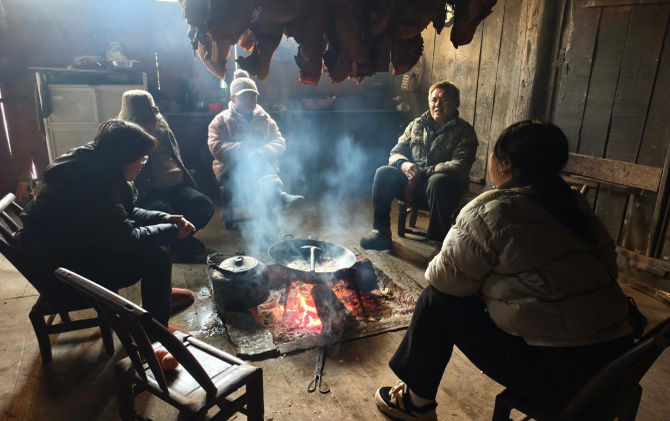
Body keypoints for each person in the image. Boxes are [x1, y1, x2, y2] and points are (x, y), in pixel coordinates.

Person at [374, 120, 635, 421]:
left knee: (436, 300)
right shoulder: (574, 202)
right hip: (616, 361)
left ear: (506, 163)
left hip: (554, 375)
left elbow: (443, 280)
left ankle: (415, 404)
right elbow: (608, 268)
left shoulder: (490, 208)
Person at [15, 120, 197, 327]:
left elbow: (120, 213)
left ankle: (157, 299)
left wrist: (165, 218)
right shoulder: (94, 183)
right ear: (124, 157)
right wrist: (172, 230)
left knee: (155, 244)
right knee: (157, 255)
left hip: (67, 249)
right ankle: (155, 329)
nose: (142, 164)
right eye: (141, 158)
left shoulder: (92, 163)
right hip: (62, 270)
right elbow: (127, 239)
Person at [360, 81, 478, 254]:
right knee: (383, 173)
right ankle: (382, 232)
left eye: (444, 100)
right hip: (412, 187)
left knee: (438, 181)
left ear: (455, 104)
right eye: (434, 100)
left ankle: (440, 246)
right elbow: (395, 153)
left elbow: (459, 166)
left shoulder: (465, 131)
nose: (437, 105)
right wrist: (404, 165)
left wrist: (420, 175)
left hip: (443, 192)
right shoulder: (417, 125)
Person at [118, 90, 215, 261]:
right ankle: (179, 244)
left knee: (203, 205)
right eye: (145, 122)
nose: (151, 125)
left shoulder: (162, 126)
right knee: (165, 213)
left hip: (177, 185)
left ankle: (178, 242)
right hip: (150, 191)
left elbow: (175, 154)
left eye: (152, 119)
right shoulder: (124, 135)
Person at [208, 69, 304, 214]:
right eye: (244, 98)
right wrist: (244, 150)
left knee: (256, 156)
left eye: (253, 97)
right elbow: (216, 147)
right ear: (232, 98)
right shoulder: (221, 120)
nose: (250, 101)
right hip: (232, 169)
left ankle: (273, 200)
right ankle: (278, 195)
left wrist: (262, 152)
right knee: (252, 155)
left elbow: (279, 142)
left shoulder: (264, 118)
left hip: (264, 167)